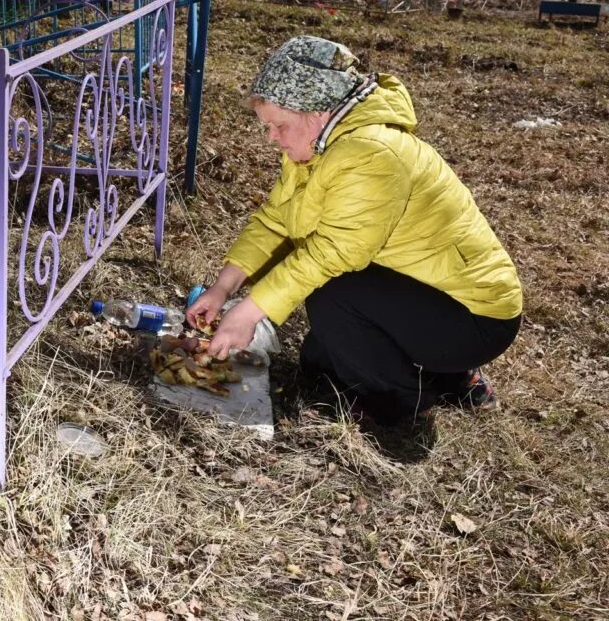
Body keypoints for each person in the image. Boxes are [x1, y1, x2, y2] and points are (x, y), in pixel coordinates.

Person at [187, 36, 522, 424]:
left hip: (474, 315)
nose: (272, 137)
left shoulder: (372, 153)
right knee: (319, 364)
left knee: (332, 292)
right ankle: (446, 375)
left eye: (278, 125)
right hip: (426, 290)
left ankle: (400, 403)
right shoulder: (321, 144)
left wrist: (246, 314)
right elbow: (275, 220)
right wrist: (222, 288)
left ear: (315, 112)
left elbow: (332, 253)